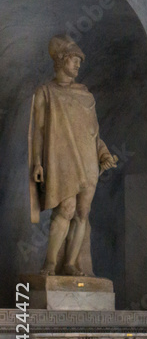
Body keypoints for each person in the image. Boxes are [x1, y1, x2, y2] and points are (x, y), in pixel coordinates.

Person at [29, 35, 118, 276]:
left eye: (80, 60)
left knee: (82, 213)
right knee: (65, 209)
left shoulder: (86, 95)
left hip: (88, 162)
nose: (78, 64)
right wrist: (37, 162)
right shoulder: (45, 92)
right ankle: (49, 263)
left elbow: (93, 132)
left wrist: (103, 152)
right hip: (62, 161)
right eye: (74, 59)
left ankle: (69, 263)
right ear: (60, 60)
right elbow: (37, 131)